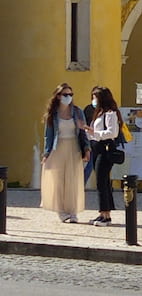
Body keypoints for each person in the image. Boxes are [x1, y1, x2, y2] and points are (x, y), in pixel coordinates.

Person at [40, 82, 90, 224]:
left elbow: (83, 132)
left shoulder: (77, 111)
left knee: (73, 180)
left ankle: (73, 212)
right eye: (65, 94)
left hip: (74, 147)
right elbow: (48, 136)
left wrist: (87, 149)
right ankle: (61, 211)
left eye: (70, 94)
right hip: (58, 147)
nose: (68, 97)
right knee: (58, 180)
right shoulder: (52, 114)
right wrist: (46, 153)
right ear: (58, 96)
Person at [85, 85, 122, 227]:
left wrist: (95, 133)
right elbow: (94, 132)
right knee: (103, 180)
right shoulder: (98, 113)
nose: (93, 100)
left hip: (105, 148)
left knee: (101, 181)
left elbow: (113, 133)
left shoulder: (110, 113)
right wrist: (89, 131)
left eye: (95, 97)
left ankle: (105, 214)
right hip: (96, 147)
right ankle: (103, 213)